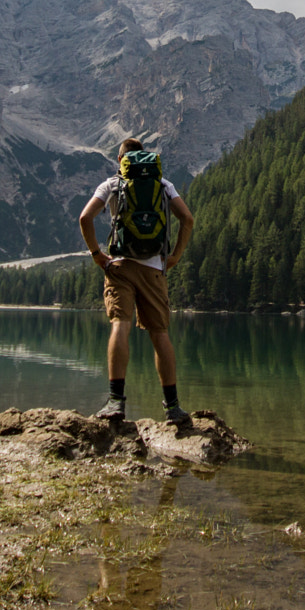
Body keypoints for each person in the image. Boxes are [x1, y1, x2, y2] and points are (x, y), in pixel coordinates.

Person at [79, 137, 194, 426]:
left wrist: (96, 254)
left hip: (118, 266)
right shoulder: (163, 185)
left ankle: (116, 403)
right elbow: (187, 220)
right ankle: (173, 408)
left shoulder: (111, 185)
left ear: (120, 161)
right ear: (144, 159)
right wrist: (175, 255)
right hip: (154, 268)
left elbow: (85, 218)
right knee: (160, 333)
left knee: (120, 325)